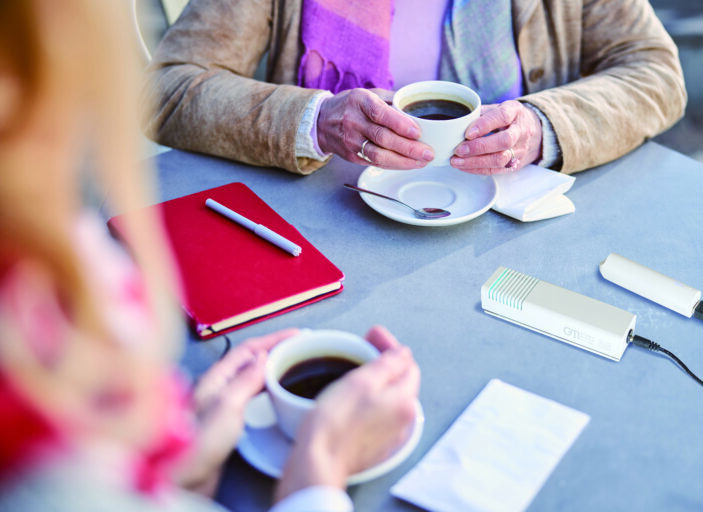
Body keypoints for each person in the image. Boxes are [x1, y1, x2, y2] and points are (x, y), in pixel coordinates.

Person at [0, 1, 419, 511]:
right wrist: (319, 467)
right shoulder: (39, 342)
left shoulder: (61, 264)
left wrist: (181, 467)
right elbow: (166, 88)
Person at [143, 0, 686, 177]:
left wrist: (543, 128)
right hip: (329, 230)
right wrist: (314, 121)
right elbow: (164, 90)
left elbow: (655, 70)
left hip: (514, 236)